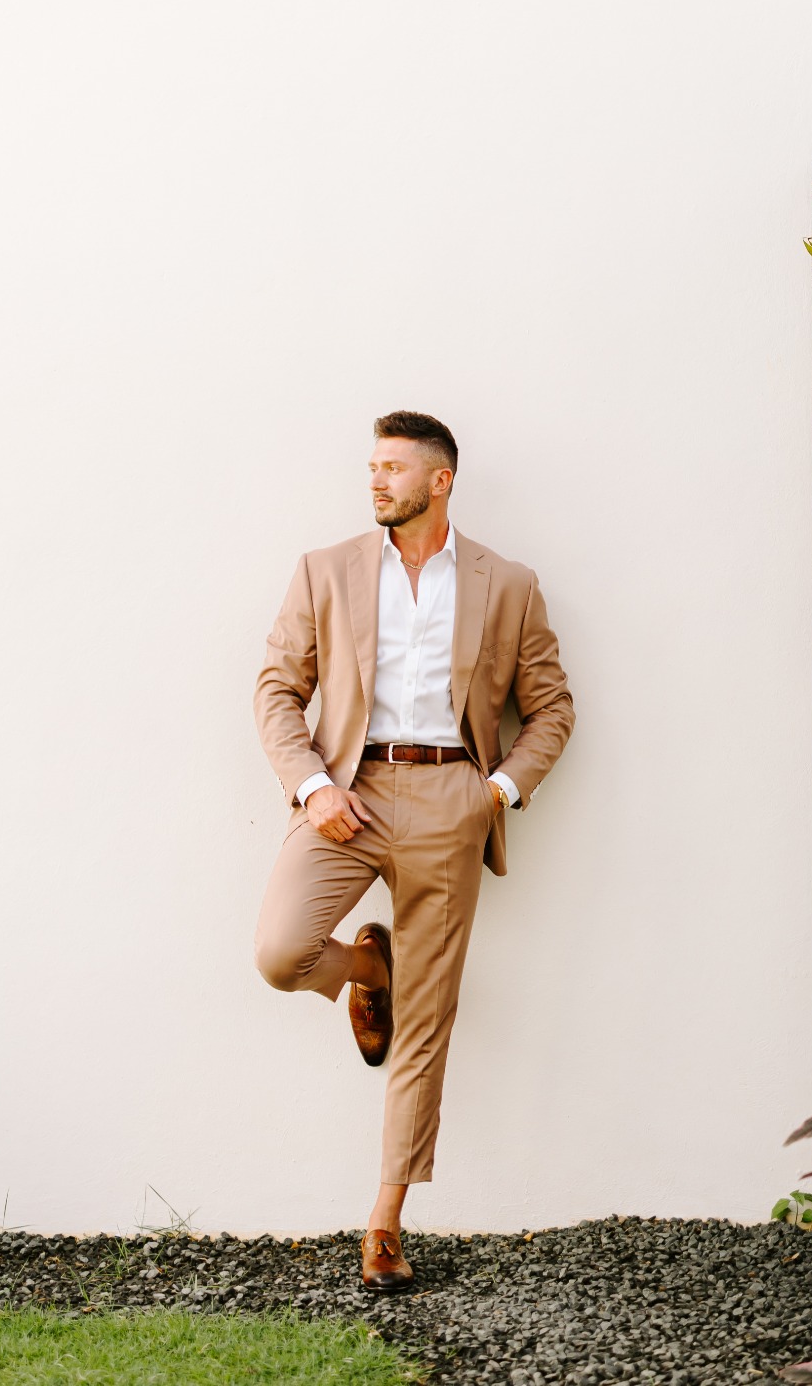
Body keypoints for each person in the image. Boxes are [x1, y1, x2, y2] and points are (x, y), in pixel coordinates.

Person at [253, 410, 574, 1290]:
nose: (375, 480)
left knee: (428, 1024)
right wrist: (314, 786)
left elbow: (552, 708)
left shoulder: (506, 583)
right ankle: (366, 970)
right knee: (280, 951)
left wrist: (495, 793)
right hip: (348, 793)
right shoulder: (325, 570)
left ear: (441, 480)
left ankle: (386, 1218)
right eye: (371, 466)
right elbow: (278, 690)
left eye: (392, 467)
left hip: (450, 799)